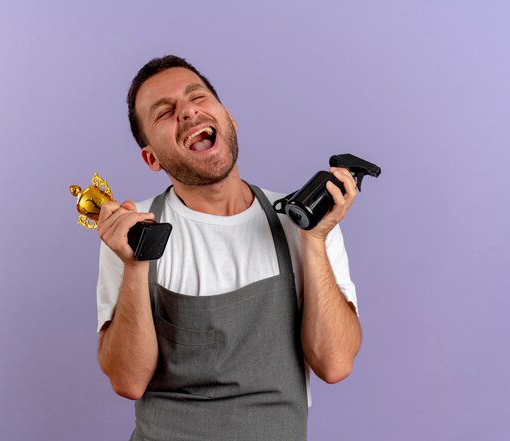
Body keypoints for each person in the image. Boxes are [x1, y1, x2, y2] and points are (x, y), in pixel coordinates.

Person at [95, 55, 362, 441]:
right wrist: (136, 265)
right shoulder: (136, 231)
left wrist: (314, 241)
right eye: (165, 112)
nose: (187, 112)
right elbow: (128, 380)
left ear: (229, 118)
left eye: (197, 96)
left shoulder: (304, 223)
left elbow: (335, 364)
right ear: (151, 157)